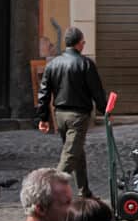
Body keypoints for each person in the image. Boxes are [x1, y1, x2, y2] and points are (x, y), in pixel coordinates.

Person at [37, 26, 107, 198]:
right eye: (83, 41)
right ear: (79, 44)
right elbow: (96, 91)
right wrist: (104, 109)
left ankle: (84, 191)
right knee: (70, 155)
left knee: (77, 152)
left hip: (60, 115)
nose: (84, 44)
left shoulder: (53, 64)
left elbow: (44, 93)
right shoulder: (85, 64)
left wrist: (43, 118)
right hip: (78, 116)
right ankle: (48, 192)